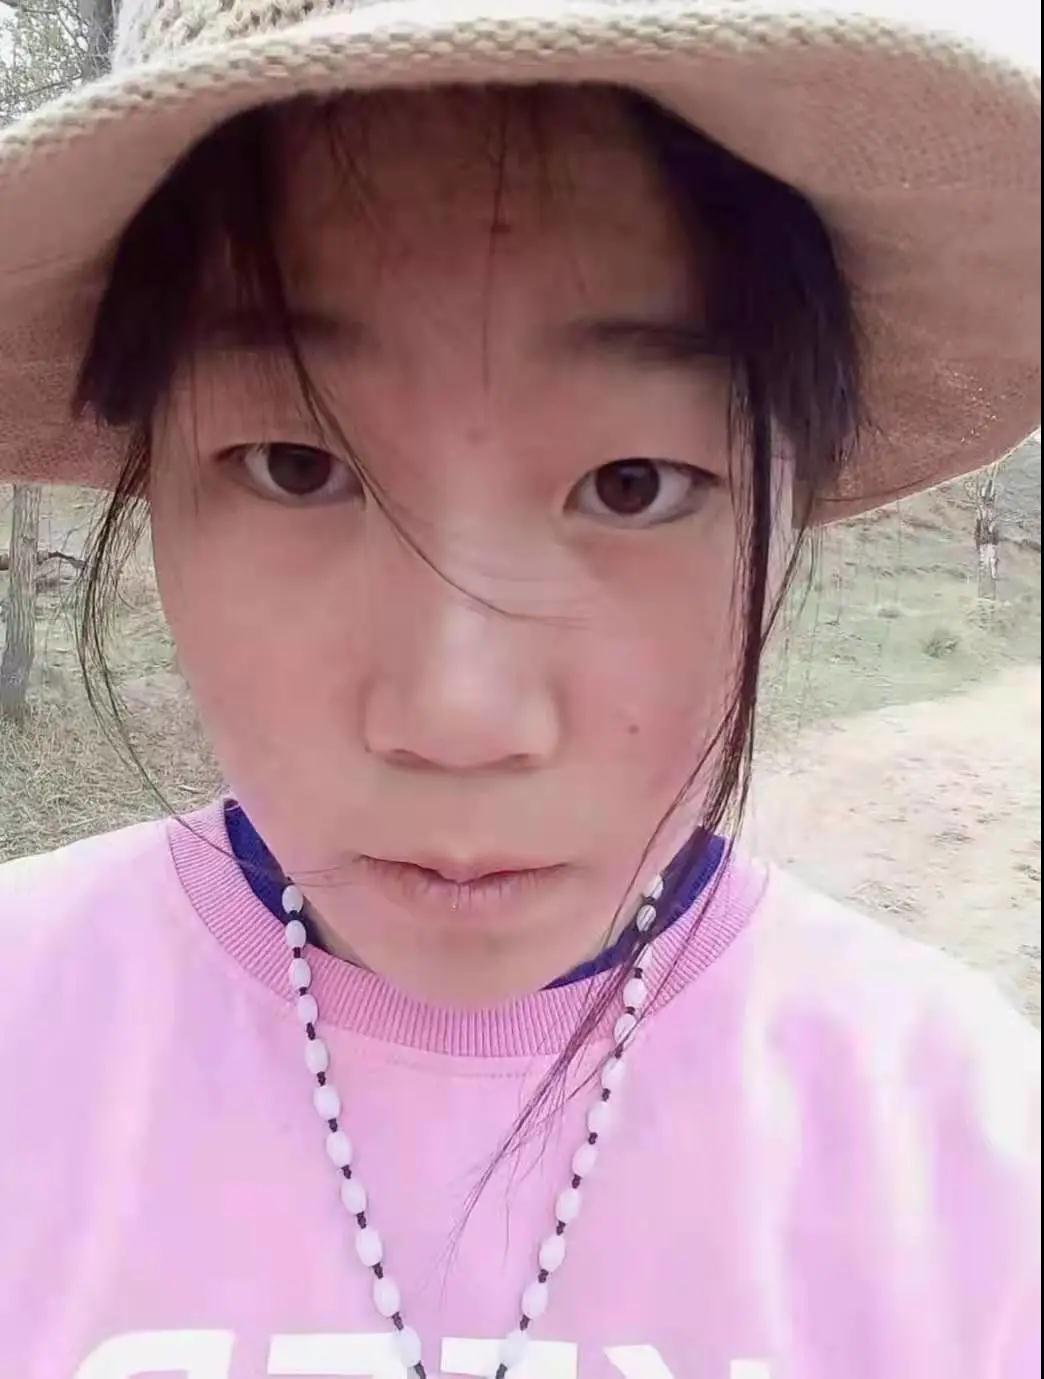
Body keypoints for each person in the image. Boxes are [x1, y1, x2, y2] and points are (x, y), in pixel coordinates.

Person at [0, 2, 1039, 1377]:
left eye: (633, 484)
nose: (458, 717)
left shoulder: (970, 1169)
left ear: (797, 504)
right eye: (298, 467)